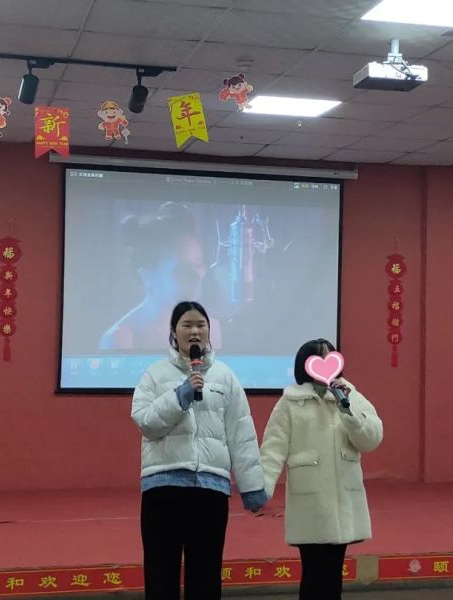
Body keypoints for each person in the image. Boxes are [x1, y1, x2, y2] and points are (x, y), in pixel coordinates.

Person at [131, 301, 267, 599]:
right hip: (163, 488)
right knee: (160, 574)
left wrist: (252, 485)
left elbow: (241, 433)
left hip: (210, 489)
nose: (194, 331)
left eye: (200, 325)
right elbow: (145, 422)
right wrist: (179, 396)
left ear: (208, 330)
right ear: (173, 332)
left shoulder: (225, 376)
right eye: (187, 325)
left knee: (205, 576)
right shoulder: (154, 375)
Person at [259, 338, 383, 600]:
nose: (326, 363)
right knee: (314, 573)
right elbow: (273, 448)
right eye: (318, 358)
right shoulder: (290, 402)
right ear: (305, 365)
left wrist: (348, 410)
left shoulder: (350, 395)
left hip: (342, 500)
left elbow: (371, 439)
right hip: (310, 501)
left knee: (333, 574)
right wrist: (261, 488)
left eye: (330, 357)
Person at [100, 202, 221, 350]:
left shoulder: (211, 329)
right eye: (181, 270)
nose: (196, 276)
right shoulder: (121, 338)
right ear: (147, 278)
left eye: (198, 264)